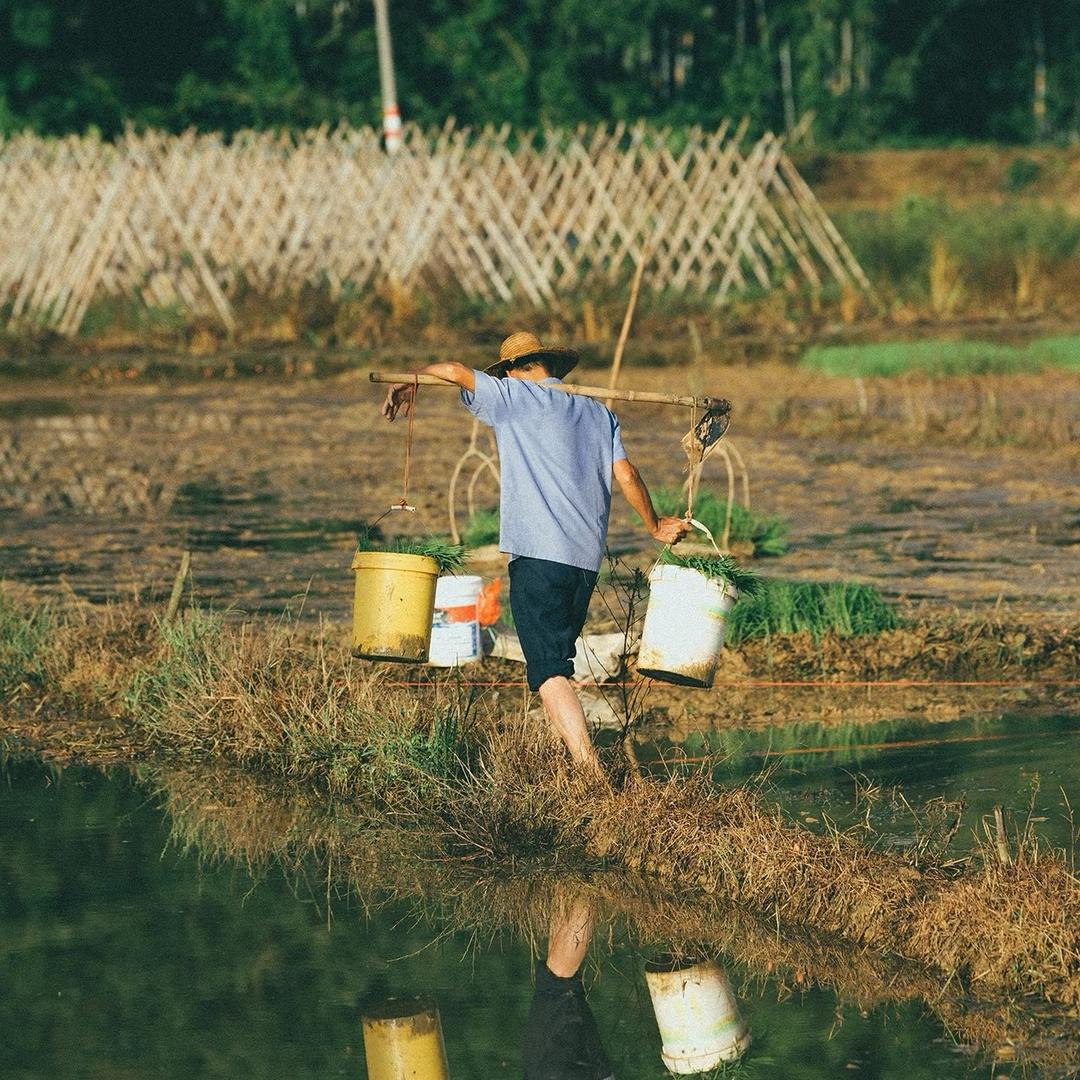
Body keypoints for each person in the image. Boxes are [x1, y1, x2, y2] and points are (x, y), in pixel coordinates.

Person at [382, 331, 689, 771]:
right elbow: (626, 474)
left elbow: (452, 371)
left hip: (537, 556)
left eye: (506, 373)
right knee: (554, 663)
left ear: (512, 371)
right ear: (550, 366)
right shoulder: (599, 413)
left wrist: (413, 378)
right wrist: (655, 525)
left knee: (548, 672)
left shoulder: (513, 398)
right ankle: (560, 763)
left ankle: (589, 772)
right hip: (585, 561)